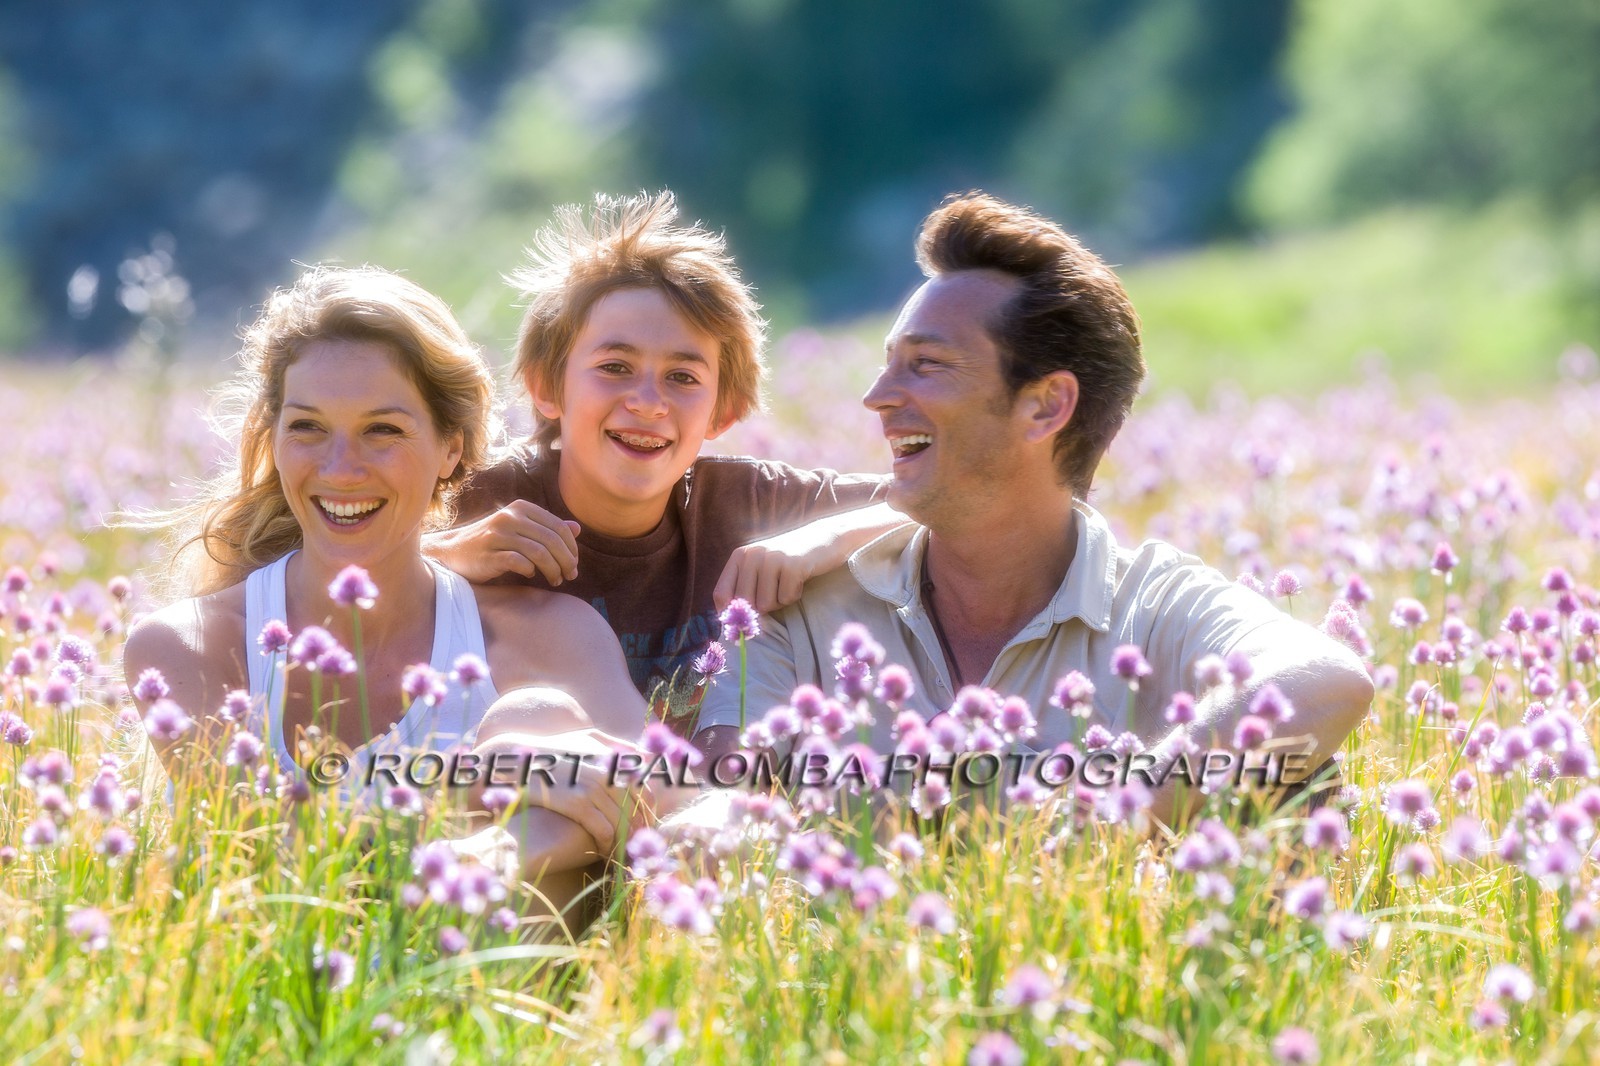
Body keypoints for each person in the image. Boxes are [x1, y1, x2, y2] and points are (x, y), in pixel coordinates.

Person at [691, 193, 1373, 823]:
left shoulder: (1155, 604)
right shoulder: (796, 607)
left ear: (1045, 406)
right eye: (888, 362)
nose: (877, 396)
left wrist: (1109, 832)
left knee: (1304, 782)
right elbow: (718, 819)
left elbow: (1327, 680)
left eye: (925, 365)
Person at [122, 265, 653, 913]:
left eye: (383, 430)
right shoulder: (190, 647)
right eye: (308, 428)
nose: (341, 469)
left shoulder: (549, 637)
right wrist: (479, 779)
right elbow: (268, 859)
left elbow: (656, 803)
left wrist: (497, 842)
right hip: (285, 996)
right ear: (274, 439)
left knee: (538, 720)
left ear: (451, 450)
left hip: (493, 996)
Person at [427, 191, 899, 725]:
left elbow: (940, 498)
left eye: (683, 378)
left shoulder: (749, 504)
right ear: (546, 387)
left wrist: (819, 541)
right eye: (614, 367)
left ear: (725, 412)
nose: (648, 403)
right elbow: (321, 570)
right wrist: (439, 554)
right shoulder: (477, 499)